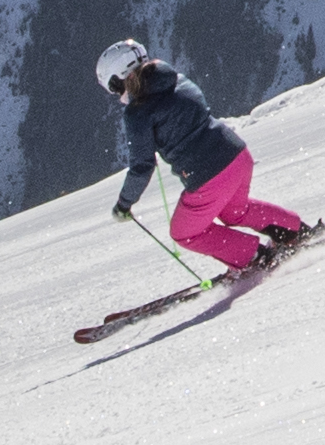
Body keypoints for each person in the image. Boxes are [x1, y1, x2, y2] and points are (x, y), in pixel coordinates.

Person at [98, 36, 310, 277]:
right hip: (237, 155)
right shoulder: (177, 79)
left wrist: (124, 204)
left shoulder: (138, 113)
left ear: (124, 77)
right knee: (234, 212)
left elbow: (142, 165)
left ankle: (256, 258)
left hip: (208, 177)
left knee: (184, 232)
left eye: (114, 86)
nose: (117, 94)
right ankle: (295, 231)